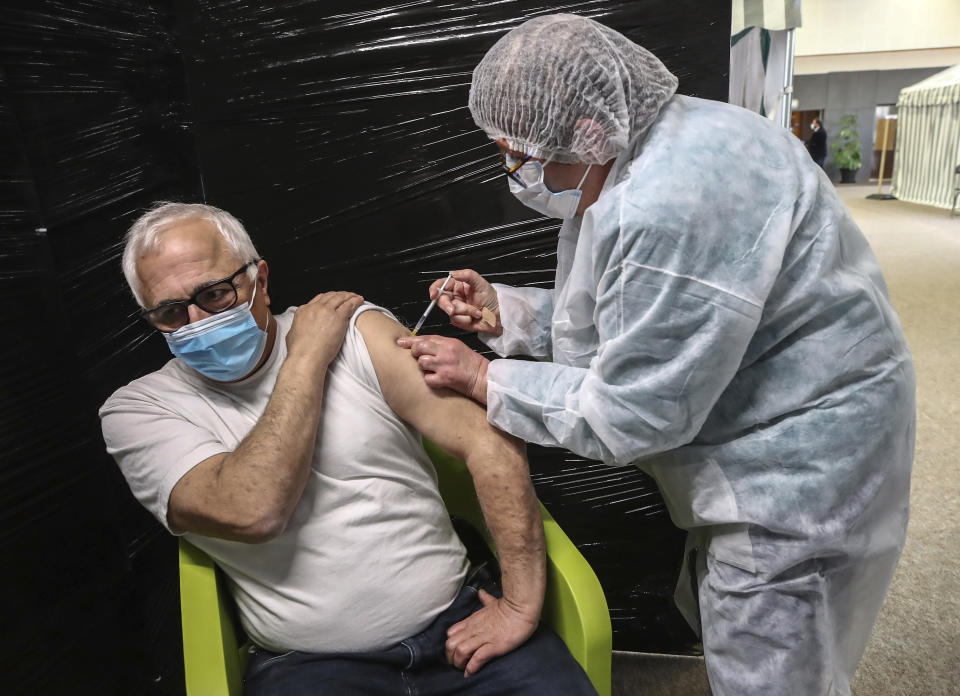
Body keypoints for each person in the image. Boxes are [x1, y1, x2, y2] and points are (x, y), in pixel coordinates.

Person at [398, 14, 914, 696]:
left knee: (772, 663)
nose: (513, 170)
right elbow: (631, 322)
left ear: (584, 131)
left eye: (517, 151)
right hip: (781, 420)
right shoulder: (661, 148)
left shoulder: (669, 201)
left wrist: (486, 378)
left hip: (797, 464)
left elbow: (635, 411)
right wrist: (508, 316)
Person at [98, 202, 597, 696]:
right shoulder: (139, 411)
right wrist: (306, 357)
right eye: (169, 312)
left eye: (213, 294)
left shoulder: (357, 330)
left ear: (260, 281)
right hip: (313, 668)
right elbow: (252, 510)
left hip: (460, 625)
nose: (195, 321)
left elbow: (489, 439)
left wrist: (518, 607)